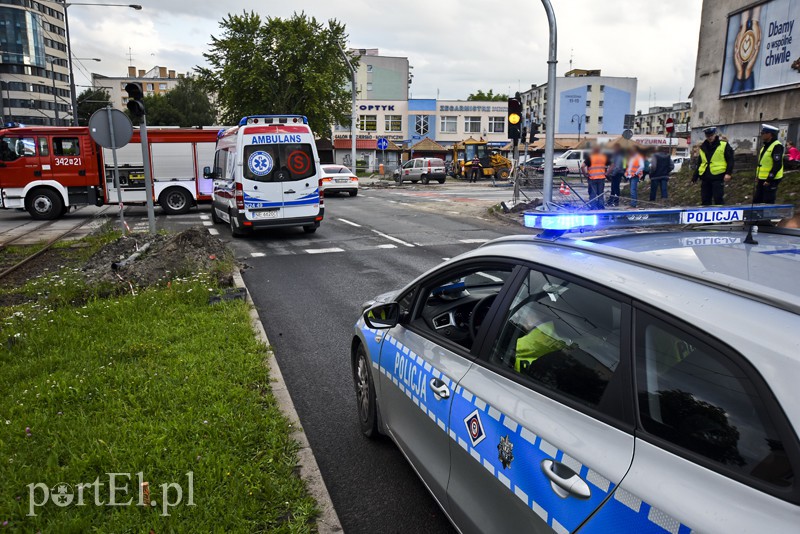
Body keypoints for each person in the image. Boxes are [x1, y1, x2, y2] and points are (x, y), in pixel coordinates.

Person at [692, 126, 734, 205]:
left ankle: (720, 215)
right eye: (708, 136)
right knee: (705, 199)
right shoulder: (703, 146)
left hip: (718, 176)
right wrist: (696, 175)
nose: (710, 137)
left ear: (715, 134)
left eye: (711, 135)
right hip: (705, 176)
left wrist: (728, 173)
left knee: (718, 198)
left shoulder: (723, 145)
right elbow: (700, 162)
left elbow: (730, 159)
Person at [754, 124, 784, 204]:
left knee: (768, 201)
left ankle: (769, 216)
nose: (761, 135)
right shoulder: (765, 146)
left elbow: (777, 164)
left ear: (770, 134)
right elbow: (763, 163)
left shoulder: (777, 146)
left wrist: (769, 179)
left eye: (763, 133)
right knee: (757, 200)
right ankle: (757, 215)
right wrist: (758, 176)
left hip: (771, 179)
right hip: (762, 179)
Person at [582, 145, 608, 210]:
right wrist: (607, 173)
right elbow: (613, 164)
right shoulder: (603, 157)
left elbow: (582, 166)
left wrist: (585, 174)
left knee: (593, 194)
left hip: (592, 178)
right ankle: (601, 206)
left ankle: (593, 207)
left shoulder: (590, 157)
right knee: (600, 193)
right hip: (601, 178)